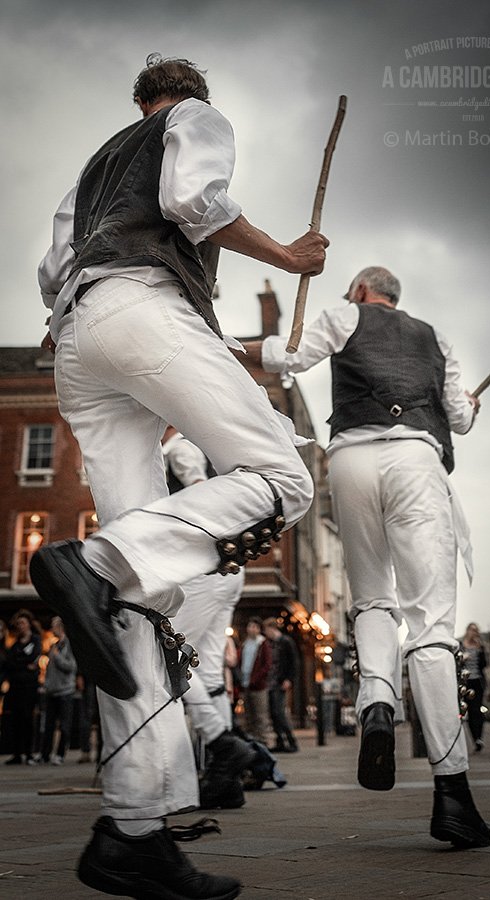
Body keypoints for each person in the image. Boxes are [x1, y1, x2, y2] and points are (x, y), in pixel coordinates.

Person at [31, 55, 327, 900]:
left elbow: (52, 273)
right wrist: (286, 255)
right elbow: (195, 201)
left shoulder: (94, 167)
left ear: (137, 98)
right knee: (282, 475)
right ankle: (94, 560)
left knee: (141, 601)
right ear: (188, 94)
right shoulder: (192, 118)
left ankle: (134, 829)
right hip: (141, 308)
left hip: (78, 339)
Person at [245, 265, 490, 849]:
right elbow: (459, 418)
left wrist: (223, 342)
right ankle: (452, 794)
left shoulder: (344, 316)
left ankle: (377, 700)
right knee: (430, 624)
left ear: (360, 291)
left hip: (351, 459)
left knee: (373, 601)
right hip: (416, 461)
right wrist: (471, 406)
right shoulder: (435, 337)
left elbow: (287, 356)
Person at [164, 426, 254, 810]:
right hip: (229, 567)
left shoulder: (180, 449)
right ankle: (226, 782)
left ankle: (221, 742)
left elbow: (202, 492)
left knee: (171, 654)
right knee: (211, 673)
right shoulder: (207, 446)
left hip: (202, 567)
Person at [3, 610, 42, 765]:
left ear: (29, 624)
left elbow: (33, 658)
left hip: (29, 687)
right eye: (18, 623)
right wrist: (25, 665)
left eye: (23, 623)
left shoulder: (36, 641)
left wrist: (21, 663)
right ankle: (17, 753)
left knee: (28, 719)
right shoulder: (15, 644)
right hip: (16, 687)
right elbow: (10, 663)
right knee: (16, 719)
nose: (21, 626)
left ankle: (29, 752)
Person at [40, 616, 77, 765]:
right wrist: (46, 685)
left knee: (64, 725)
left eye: (53, 626)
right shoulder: (53, 645)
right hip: (51, 691)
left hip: (65, 691)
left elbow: (71, 666)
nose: (51, 629)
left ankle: (60, 754)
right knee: (48, 725)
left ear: (60, 627)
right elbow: (49, 669)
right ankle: (44, 755)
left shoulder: (69, 645)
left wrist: (57, 656)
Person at [263, 617, 299, 753]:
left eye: (267, 630)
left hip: (280, 681)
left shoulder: (286, 642)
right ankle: (280, 741)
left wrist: (289, 679)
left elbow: (294, 662)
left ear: (272, 629)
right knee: (273, 713)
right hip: (270, 682)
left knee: (279, 712)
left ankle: (291, 741)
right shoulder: (269, 643)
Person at [239, 618, 272, 746]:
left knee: (260, 715)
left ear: (259, 629)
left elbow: (267, 664)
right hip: (245, 683)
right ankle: (251, 741)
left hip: (258, 686)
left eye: (254, 627)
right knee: (248, 715)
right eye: (250, 626)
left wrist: (256, 678)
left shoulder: (262, 644)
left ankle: (263, 741)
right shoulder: (244, 644)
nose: (251, 629)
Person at [460, 623, 488, 752]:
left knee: (477, 710)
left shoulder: (480, 646)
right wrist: (463, 659)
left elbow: (484, 664)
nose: (474, 632)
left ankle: (478, 738)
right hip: (465, 681)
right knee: (466, 709)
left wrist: (481, 650)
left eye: (476, 630)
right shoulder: (461, 645)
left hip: (477, 681)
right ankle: (472, 737)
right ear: (467, 631)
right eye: (472, 630)